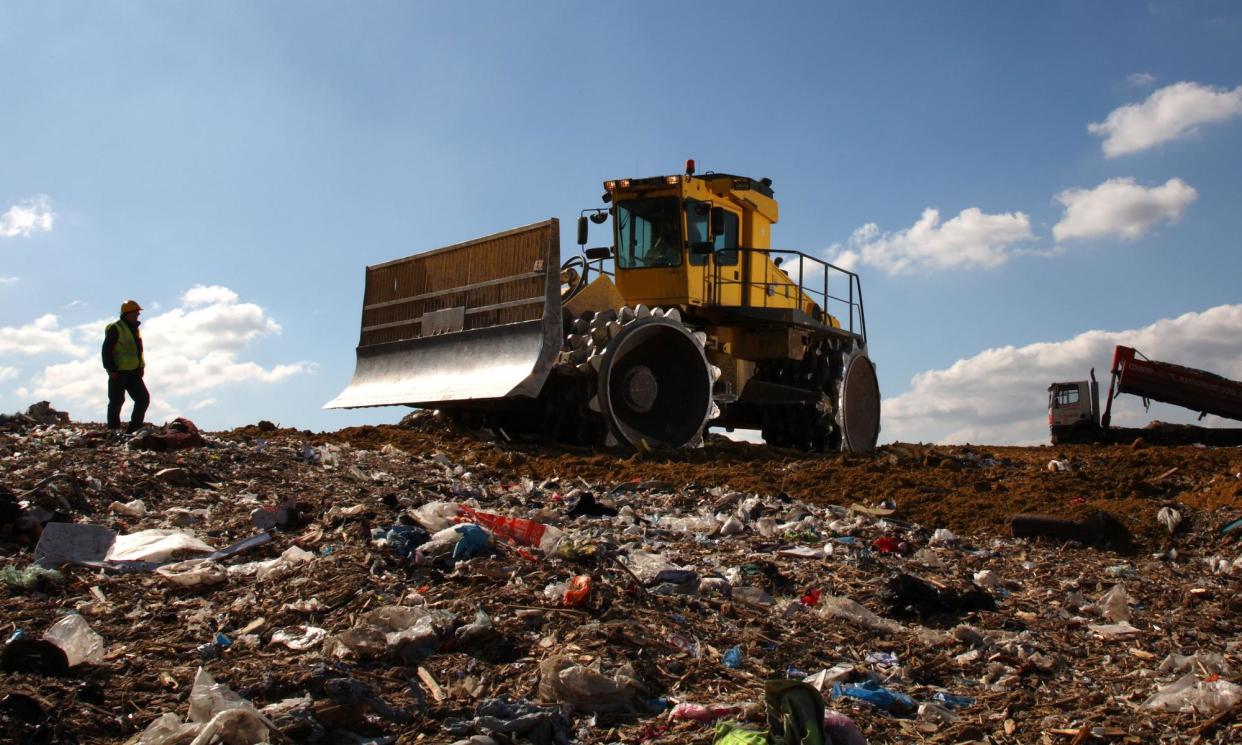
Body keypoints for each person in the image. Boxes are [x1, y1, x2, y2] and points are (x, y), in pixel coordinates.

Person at [101, 299, 150, 433]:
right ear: (127, 313)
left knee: (143, 399)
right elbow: (106, 350)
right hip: (118, 371)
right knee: (116, 401)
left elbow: (138, 351)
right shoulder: (116, 328)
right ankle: (113, 429)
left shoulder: (135, 329)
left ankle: (134, 427)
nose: (138, 315)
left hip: (134, 372)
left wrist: (141, 367)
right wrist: (110, 369)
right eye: (136, 312)